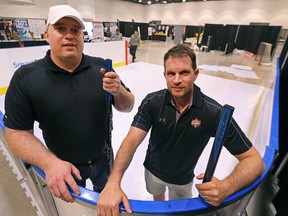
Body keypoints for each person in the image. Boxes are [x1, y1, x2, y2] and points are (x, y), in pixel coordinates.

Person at [96, 44, 265, 216]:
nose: (176, 80)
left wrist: (227, 186)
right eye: (171, 73)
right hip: (152, 171)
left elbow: (254, 161)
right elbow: (131, 141)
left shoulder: (214, 113)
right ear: (165, 75)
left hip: (182, 180)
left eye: (184, 72)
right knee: (157, 196)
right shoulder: (152, 102)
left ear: (195, 74)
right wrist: (113, 182)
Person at [3, 4, 134, 203]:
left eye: (75, 30)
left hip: (104, 160)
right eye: (61, 28)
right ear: (47, 34)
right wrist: (49, 163)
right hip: (63, 167)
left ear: (83, 36)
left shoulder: (100, 68)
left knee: (106, 204)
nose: (69, 35)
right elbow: (17, 133)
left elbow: (128, 105)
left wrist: (119, 91)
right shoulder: (26, 78)